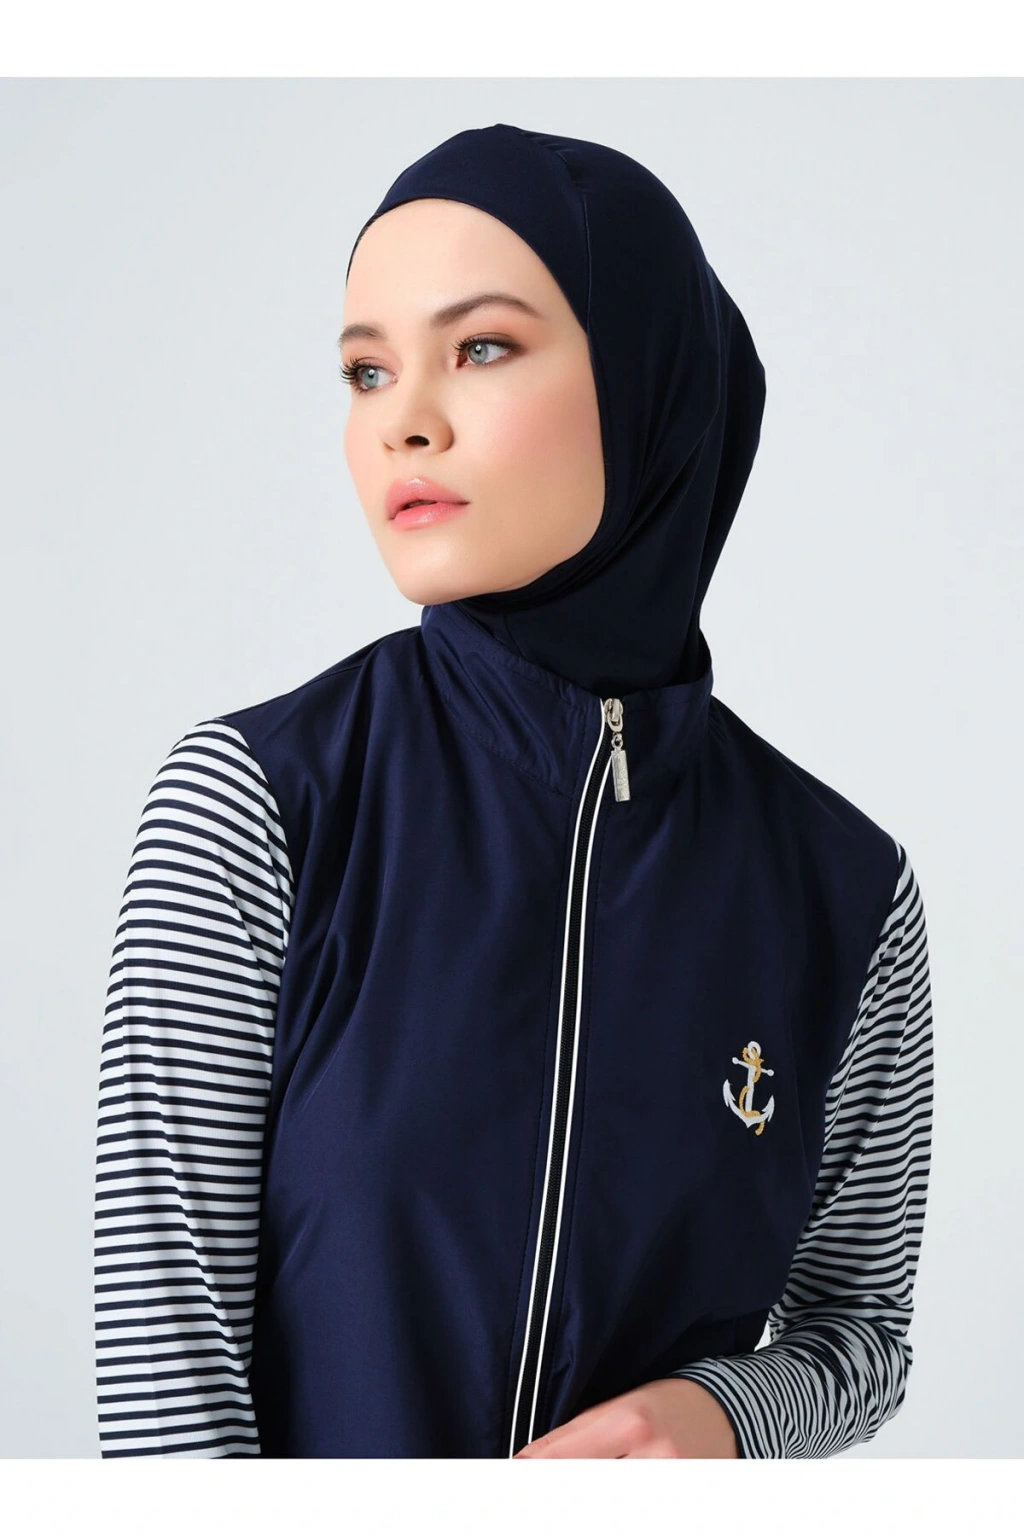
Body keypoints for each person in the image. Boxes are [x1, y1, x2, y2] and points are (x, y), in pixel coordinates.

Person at [93, 122, 934, 1459]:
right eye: (367, 370)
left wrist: (715, 1415)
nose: (403, 420)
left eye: (480, 348)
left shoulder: (846, 892)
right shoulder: (261, 804)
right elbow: (166, 1369)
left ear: (647, 377)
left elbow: (861, 1334)